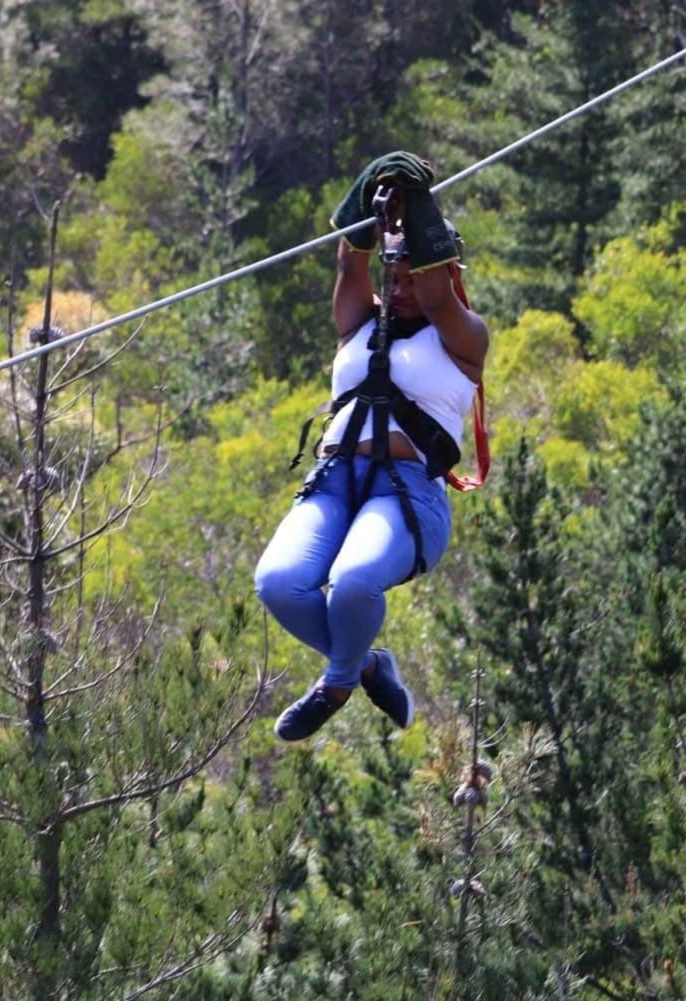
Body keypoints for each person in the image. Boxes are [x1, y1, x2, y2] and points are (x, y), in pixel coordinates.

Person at [254, 151, 489, 742]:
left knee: (354, 580)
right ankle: (366, 666)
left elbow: (436, 296)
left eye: (414, 275)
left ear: (445, 271)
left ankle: (335, 685)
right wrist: (371, 191)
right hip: (335, 482)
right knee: (278, 583)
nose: (403, 288)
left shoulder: (463, 337)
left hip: (407, 495)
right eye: (395, 276)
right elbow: (349, 260)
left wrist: (418, 203)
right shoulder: (358, 322)